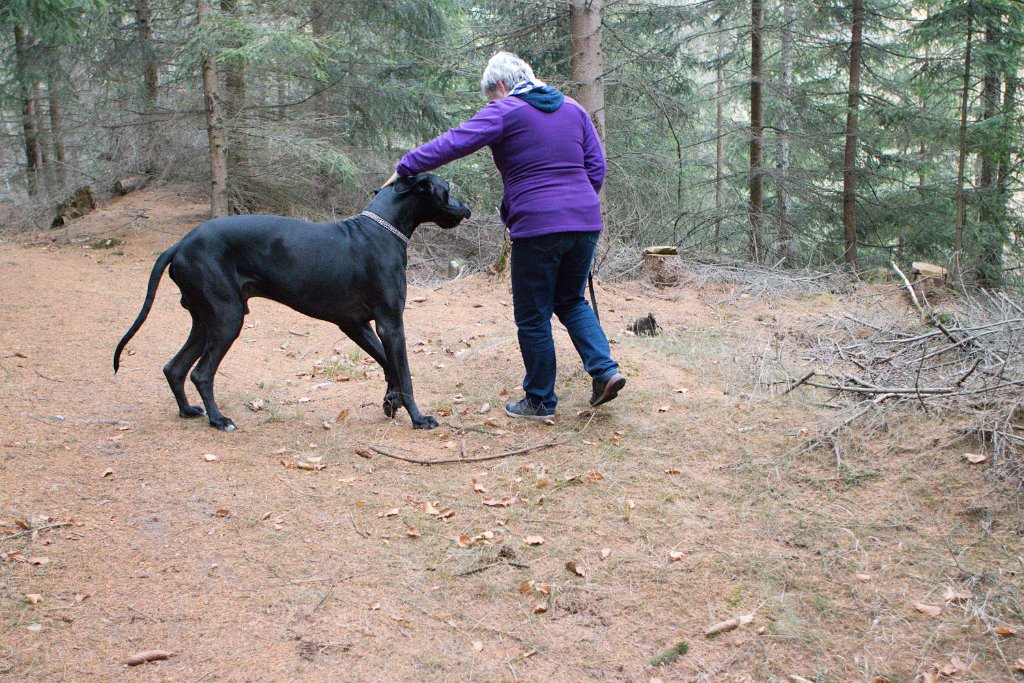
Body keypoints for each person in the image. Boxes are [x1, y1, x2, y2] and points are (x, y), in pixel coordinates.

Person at [384, 51, 626, 420]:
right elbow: (597, 166)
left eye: (490, 97)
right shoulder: (574, 109)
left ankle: (540, 400)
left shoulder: (507, 109)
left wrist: (405, 167)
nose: (490, 104)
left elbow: (454, 142)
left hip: (539, 225)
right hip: (585, 222)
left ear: (500, 85)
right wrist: (575, 204)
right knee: (572, 301)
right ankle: (605, 371)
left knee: (532, 316)